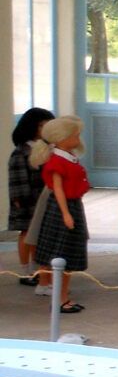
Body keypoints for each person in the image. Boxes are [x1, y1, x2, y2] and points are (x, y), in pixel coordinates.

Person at [30, 116, 90, 313]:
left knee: (68, 259)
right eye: (75, 135)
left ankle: (63, 297)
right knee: (61, 256)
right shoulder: (56, 161)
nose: (78, 139)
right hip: (61, 208)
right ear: (63, 138)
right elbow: (58, 190)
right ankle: (59, 299)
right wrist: (66, 214)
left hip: (73, 205)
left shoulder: (68, 156)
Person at [9, 107, 54, 287]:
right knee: (27, 232)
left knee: (38, 235)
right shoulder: (21, 151)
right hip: (26, 200)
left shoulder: (46, 149)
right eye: (42, 125)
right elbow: (16, 177)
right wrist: (20, 198)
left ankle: (37, 267)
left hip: (43, 198)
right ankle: (25, 269)